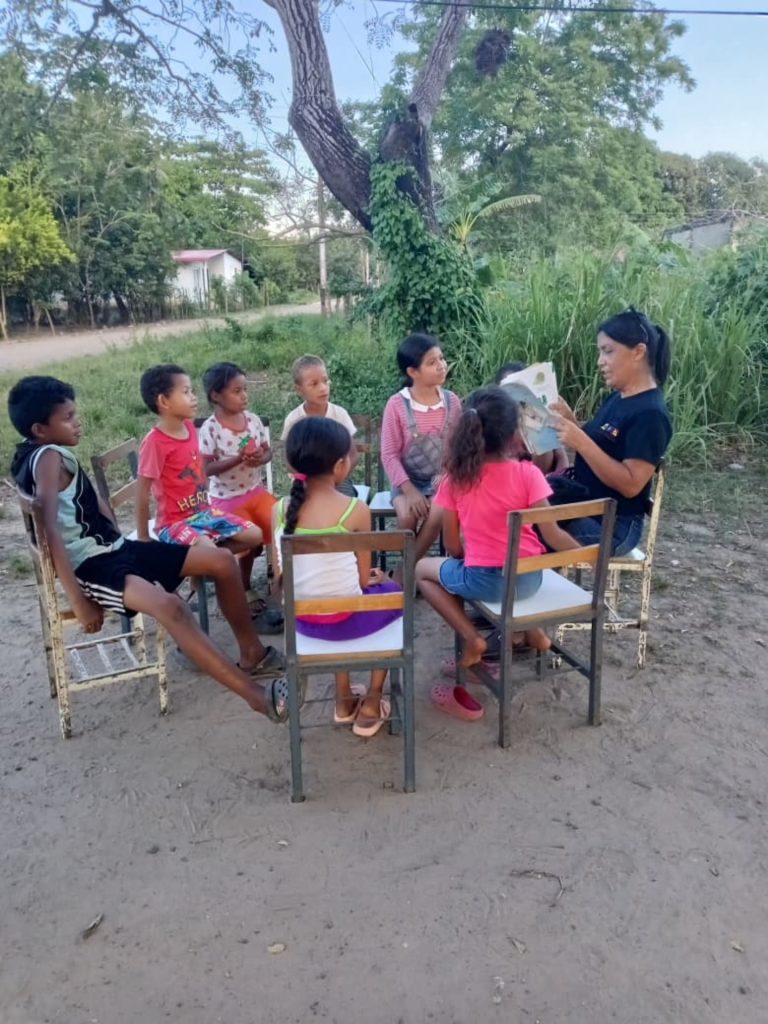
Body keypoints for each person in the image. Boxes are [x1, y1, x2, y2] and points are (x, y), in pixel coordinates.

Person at [7, 376, 288, 720]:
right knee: (172, 608)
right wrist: (79, 600)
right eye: (67, 417)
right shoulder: (48, 457)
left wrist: (127, 542)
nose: (77, 421)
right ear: (40, 429)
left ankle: (252, 654)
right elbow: (48, 529)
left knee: (221, 560)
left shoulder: (38, 455)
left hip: (114, 549)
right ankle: (259, 697)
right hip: (91, 567)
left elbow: (95, 507)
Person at [415, 387, 581, 721]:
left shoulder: (455, 479)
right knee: (495, 578)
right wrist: (590, 554)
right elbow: (552, 534)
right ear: (513, 434)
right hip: (531, 579)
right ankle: (531, 631)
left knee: (421, 570)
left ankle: (471, 637)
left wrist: (464, 555)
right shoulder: (529, 473)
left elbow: (452, 546)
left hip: (487, 582)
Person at [273, 417, 402, 738]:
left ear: (292, 462)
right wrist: (379, 579)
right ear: (341, 465)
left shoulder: (277, 510)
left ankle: (344, 700)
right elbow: (360, 581)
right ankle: (372, 702)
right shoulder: (355, 510)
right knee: (391, 592)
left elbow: (279, 576)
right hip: (344, 619)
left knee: (328, 594)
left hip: (302, 625)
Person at [551, 308, 672, 556]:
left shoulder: (651, 414)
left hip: (612, 526)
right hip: (586, 504)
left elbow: (630, 484)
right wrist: (572, 422)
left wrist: (581, 442)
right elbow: (604, 446)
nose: (600, 361)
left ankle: (508, 587)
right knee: (518, 506)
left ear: (638, 351)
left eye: (608, 351)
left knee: (526, 527)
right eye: (600, 352)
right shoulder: (619, 397)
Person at [197, 361, 282, 631]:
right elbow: (206, 468)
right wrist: (237, 459)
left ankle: (281, 586)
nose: (244, 396)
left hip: (256, 492)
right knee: (246, 545)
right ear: (216, 396)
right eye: (237, 391)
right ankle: (241, 589)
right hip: (226, 499)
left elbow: (268, 451)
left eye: (245, 389)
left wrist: (260, 458)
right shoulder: (210, 429)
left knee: (283, 528)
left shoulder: (253, 420)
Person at [380, 333, 461, 533]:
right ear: (413, 372)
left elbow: (459, 448)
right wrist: (410, 491)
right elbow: (389, 455)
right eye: (432, 362)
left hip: (442, 479)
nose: (442, 365)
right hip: (406, 481)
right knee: (407, 517)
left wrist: (447, 475)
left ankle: (410, 563)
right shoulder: (397, 405)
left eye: (442, 358)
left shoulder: (452, 402)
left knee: (438, 511)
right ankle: (410, 561)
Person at [281, 354, 359, 498]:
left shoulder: (339, 414)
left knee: (343, 509)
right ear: (299, 389)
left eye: (325, 381)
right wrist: (306, 481)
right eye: (314, 384)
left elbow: (353, 454)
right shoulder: (294, 419)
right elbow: (288, 459)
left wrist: (335, 479)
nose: (323, 388)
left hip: (338, 481)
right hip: (305, 483)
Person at [495, 361, 570, 476]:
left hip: (541, 479)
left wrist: (558, 477)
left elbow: (561, 455)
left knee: (542, 432)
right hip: (510, 479)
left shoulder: (534, 413)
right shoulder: (495, 419)